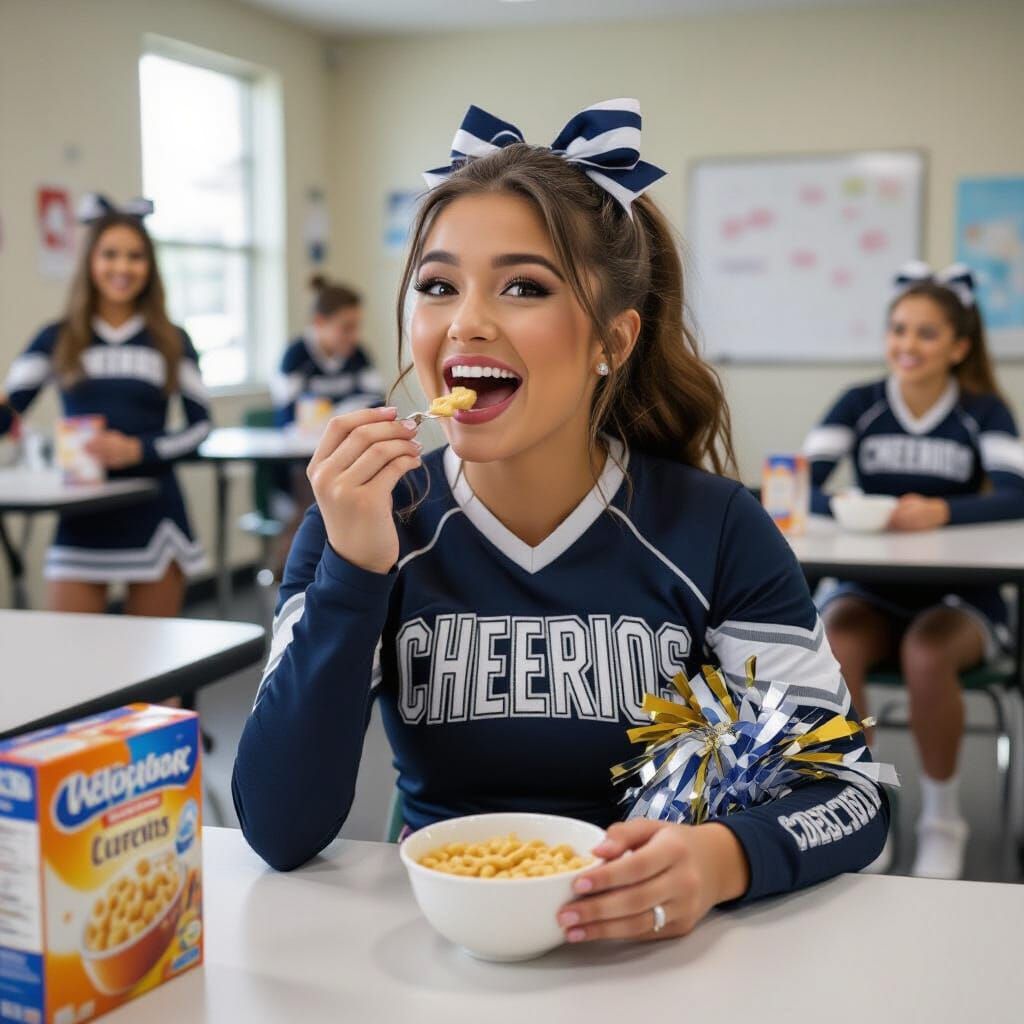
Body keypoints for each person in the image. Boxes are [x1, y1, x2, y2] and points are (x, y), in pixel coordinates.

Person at [234, 101, 887, 943]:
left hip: (660, 955)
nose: (465, 320)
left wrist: (720, 860)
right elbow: (279, 828)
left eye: (523, 287)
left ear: (611, 341)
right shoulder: (362, 521)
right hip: (446, 947)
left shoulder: (717, 526)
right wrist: (355, 573)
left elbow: (850, 790)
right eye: (437, 286)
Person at [804, 261, 1024, 879]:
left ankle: (942, 819)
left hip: (960, 595)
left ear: (958, 346)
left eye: (927, 334)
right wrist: (848, 508)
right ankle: (863, 803)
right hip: (871, 589)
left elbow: (1018, 493)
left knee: (927, 654)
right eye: (899, 329)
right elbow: (795, 486)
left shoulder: (984, 411)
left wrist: (943, 511)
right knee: (837, 642)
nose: (909, 345)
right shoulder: (860, 402)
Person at [0, 194, 211, 615]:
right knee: (72, 671)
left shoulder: (172, 339)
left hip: (156, 517)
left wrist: (139, 450)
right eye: (110, 255)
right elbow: (10, 413)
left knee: (159, 674)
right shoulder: (56, 337)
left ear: (149, 267)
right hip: (82, 518)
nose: (122, 268)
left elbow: (201, 427)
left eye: (135, 257)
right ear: (90, 262)